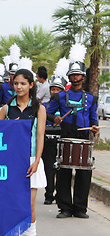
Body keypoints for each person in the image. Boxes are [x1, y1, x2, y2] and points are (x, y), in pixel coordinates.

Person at [0, 69, 46, 236]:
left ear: (31, 85)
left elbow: (40, 135)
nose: (19, 87)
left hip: (31, 160)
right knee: (12, 205)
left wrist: (37, 160)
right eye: (16, 83)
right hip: (10, 162)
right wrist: (9, 127)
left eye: (23, 83)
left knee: (29, 206)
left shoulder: (39, 109)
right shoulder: (7, 109)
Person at [46, 53, 98, 219]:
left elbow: (93, 118)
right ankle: (65, 208)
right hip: (65, 133)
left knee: (84, 172)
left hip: (83, 135)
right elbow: (48, 112)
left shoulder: (90, 99)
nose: (75, 77)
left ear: (83, 77)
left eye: (78, 75)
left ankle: (80, 208)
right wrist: (55, 118)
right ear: (69, 77)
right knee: (63, 171)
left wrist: (95, 127)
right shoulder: (60, 96)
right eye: (73, 75)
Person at [42, 75, 66, 205]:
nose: (54, 92)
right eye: (53, 89)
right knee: (48, 168)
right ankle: (49, 194)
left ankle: (60, 195)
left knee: (61, 169)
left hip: (62, 139)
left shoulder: (65, 106)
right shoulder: (44, 106)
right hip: (48, 139)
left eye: (58, 90)